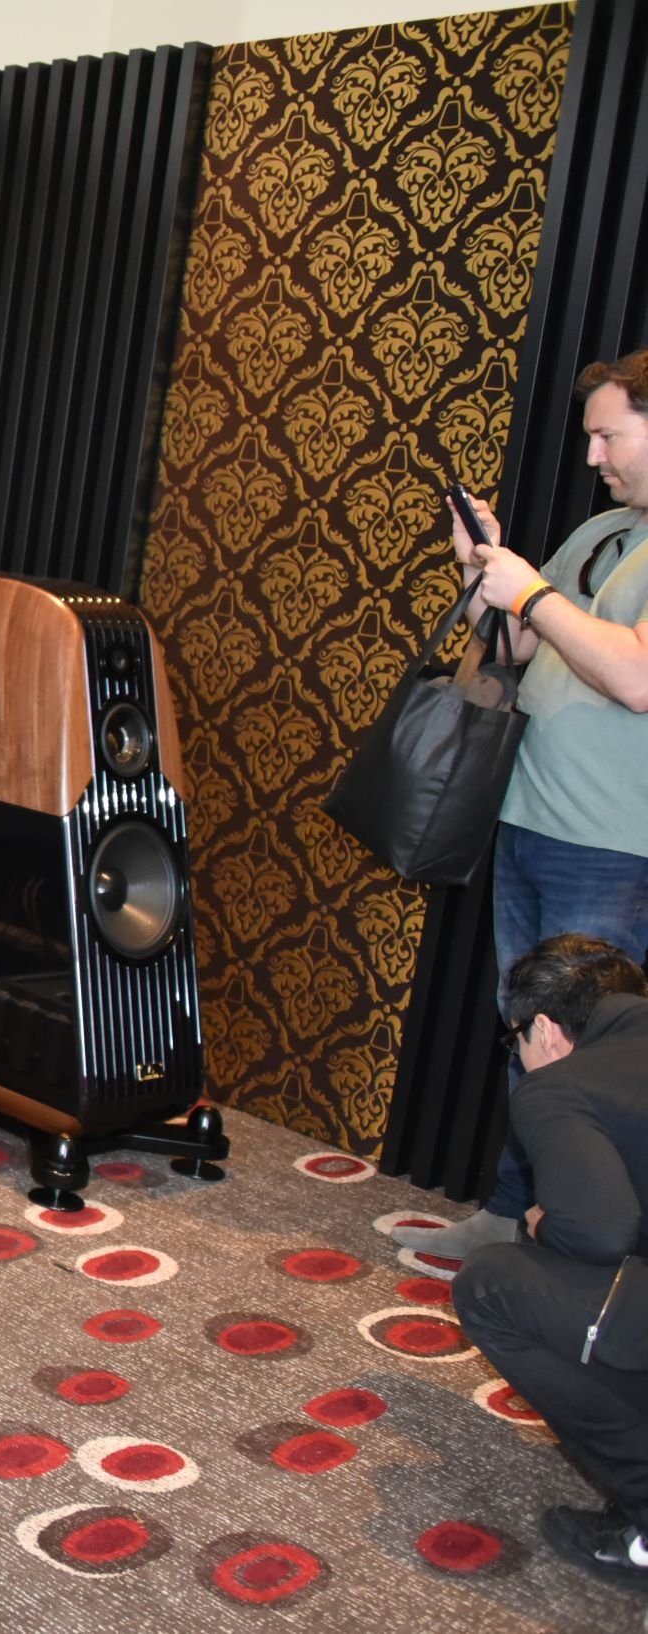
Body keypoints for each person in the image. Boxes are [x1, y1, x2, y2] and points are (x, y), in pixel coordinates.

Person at [395, 350, 648, 1259]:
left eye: (606, 435)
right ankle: (514, 1213)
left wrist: (532, 590)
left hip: (612, 844)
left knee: (583, 1042)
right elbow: (516, 644)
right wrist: (482, 574)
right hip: (529, 817)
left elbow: (635, 677)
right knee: (529, 1028)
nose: (591, 456)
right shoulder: (605, 531)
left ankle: (570, 1237)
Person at [454, 935, 648, 1585]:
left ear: (543, 1029)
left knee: (491, 1285)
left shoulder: (557, 1089)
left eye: (515, 1040)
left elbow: (599, 1232)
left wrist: (541, 1222)